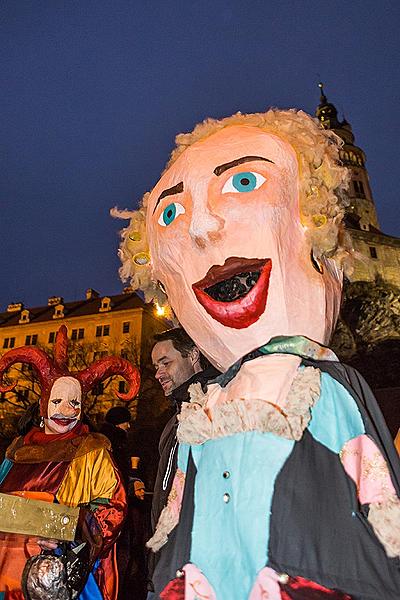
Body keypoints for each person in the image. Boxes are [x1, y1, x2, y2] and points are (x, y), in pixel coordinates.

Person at [117, 108, 400, 599]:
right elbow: (173, 526)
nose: (202, 226)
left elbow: (377, 501)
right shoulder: (201, 412)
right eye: (171, 213)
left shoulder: (322, 387)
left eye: (244, 181)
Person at [0, 325, 140, 600]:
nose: (67, 410)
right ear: (44, 403)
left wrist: (70, 532)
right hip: (7, 573)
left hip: (54, 576)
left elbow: (113, 508)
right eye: (58, 400)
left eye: (75, 403)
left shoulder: (92, 449)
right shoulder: (17, 450)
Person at [147, 329, 219, 590]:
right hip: (165, 563)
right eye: (156, 366)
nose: (158, 374)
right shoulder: (170, 424)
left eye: (166, 363)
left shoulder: (217, 407)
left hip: (198, 566)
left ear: (193, 355)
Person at [101, 406, 132, 487]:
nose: (129, 426)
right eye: (126, 422)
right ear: (118, 423)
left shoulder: (106, 439)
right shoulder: (114, 442)